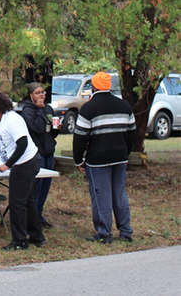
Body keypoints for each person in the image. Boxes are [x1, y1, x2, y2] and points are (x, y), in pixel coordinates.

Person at [73, 71, 136, 244]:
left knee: (101, 196)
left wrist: (78, 160)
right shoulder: (124, 106)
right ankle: (125, 231)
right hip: (120, 158)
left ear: (93, 86)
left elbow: (80, 137)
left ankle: (104, 233)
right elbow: (132, 134)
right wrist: (125, 152)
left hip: (97, 160)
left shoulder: (89, 108)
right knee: (119, 194)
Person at [0, 89, 46, 251]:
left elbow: (22, 144)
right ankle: (37, 236)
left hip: (26, 163)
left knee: (17, 203)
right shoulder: (0, 121)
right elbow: (6, 145)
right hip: (22, 163)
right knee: (28, 200)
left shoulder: (13, 119)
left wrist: (8, 165)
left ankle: (19, 241)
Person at [21, 82, 60, 229]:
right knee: (36, 186)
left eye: (43, 92)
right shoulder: (28, 110)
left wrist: (57, 129)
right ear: (31, 95)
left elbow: (51, 132)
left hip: (49, 149)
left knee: (45, 186)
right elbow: (37, 127)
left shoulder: (48, 108)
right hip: (37, 153)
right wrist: (40, 110)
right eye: (38, 93)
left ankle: (39, 213)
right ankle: (33, 216)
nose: (41, 95)